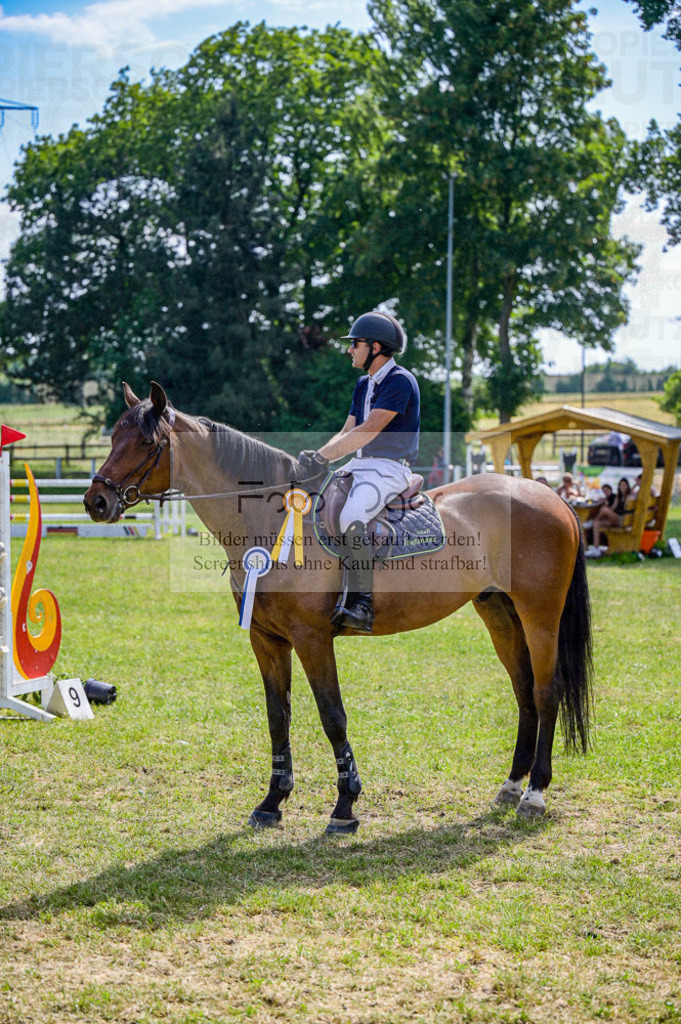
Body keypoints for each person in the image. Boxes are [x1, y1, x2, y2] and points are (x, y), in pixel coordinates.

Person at [298, 311, 420, 633]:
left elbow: (369, 430)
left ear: (376, 347)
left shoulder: (400, 381)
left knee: (351, 516)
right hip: (360, 465)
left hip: (389, 469)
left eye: (355, 344)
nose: (349, 349)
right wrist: (318, 458)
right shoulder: (363, 384)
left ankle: (363, 605)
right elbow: (347, 431)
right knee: (316, 502)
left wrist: (323, 456)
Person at [586, 478, 633, 556]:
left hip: (623, 520)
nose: (622, 487)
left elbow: (623, 510)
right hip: (617, 519)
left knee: (604, 509)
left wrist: (606, 511)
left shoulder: (629, 496)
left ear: (627, 486)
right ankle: (595, 548)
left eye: (624, 485)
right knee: (597, 523)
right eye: (621, 485)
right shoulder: (618, 496)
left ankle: (593, 520)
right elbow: (613, 508)